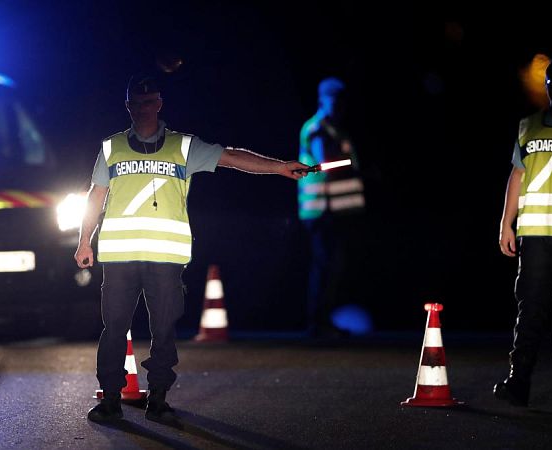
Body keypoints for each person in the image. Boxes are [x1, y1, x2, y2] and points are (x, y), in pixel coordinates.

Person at [74, 74, 311, 423]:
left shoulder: (183, 146)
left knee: (164, 330)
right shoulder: (111, 147)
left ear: (159, 104)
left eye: (149, 101)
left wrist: (279, 167)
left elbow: (231, 157)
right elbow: (95, 197)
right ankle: (110, 399)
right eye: (135, 103)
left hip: (166, 256)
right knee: (114, 329)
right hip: (120, 256)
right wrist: (84, 241)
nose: (142, 108)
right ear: (127, 107)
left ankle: (158, 399)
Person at [495, 50, 552, 409]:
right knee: (530, 309)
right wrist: (505, 223)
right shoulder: (529, 124)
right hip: (537, 234)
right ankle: (518, 382)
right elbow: (517, 175)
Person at [297, 77, 366, 338]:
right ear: (323, 100)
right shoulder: (317, 129)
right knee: (325, 266)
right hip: (321, 210)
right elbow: (325, 162)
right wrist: (353, 165)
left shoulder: (334, 128)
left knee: (333, 267)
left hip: (334, 211)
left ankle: (322, 320)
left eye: (341, 101)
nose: (339, 106)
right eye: (334, 100)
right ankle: (317, 323)